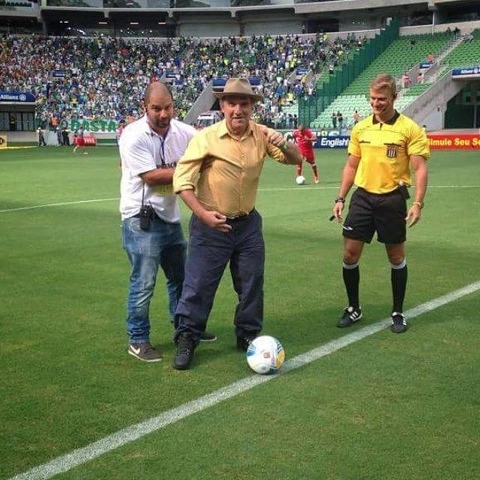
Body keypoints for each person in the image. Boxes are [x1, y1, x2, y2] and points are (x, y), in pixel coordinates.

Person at [171, 77, 302, 370]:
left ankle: (248, 335)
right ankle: (187, 337)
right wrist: (202, 215)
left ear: (252, 107)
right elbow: (182, 181)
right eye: (232, 103)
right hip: (210, 225)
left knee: (252, 282)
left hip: (248, 225)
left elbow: (294, 159)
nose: (238, 109)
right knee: (199, 285)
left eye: (244, 103)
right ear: (222, 106)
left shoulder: (262, 135)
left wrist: (285, 143)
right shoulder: (206, 138)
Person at [119, 81, 216, 363]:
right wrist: (189, 168)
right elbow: (151, 176)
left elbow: (206, 145)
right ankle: (137, 340)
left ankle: (184, 329)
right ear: (145, 107)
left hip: (169, 217)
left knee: (181, 279)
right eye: (156, 109)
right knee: (144, 282)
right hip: (141, 219)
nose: (163, 114)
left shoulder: (183, 131)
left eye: (168, 107)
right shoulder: (133, 135)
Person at [331, 73, 429, 334]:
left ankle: (397, 311)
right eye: (373, 99)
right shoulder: (361, 128)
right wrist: (340, 198)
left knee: (395, 256)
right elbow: (351, 165)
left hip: (392, 199)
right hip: (362, 198)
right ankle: (354, 308)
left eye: (382, 99)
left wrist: (418, 202)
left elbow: (419, 169)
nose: (376, 103)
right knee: (349, 254)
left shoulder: (410, 129)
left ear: (394, 97)